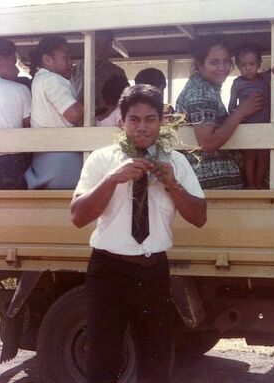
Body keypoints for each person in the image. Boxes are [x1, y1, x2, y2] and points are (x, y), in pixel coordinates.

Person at [71, 84, 207, 383]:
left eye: (150, 119)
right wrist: (111, 180)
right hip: (108, 271)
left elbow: (199, 218)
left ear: (162, 122)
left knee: (155, 362)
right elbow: (78, 217)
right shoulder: (102, 159)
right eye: (134, 119)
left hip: (152, 271)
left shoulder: (176, 163)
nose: (142, 127)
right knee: (102, 362)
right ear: (121, 121)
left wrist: (173, 184)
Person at [176, 35, 263, 189]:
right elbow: (208, 143)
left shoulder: (206, 88)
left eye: (226, 61)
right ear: (200, 64)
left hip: (211, 186)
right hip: (208, 186)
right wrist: (241, 111)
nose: (222, 67)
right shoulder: (201, 92)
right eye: (214, 62)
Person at [25, 35, 84, 190]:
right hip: (61, 159)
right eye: (66, 57)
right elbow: (73, 114)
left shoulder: (41, 79)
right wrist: (92, 102)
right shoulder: (52, 80)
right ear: (47, 60)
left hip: (45, 158)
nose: (71, 63)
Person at [229, 42, 274, 189]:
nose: (248, 68)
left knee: (263, 156)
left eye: (252, 64)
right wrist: (241, 112)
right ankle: (250, 184)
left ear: (259, 63)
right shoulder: (237, 83)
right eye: (243, 65)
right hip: (247, 126)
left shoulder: (266, 79)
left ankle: (259, 182)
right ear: (238, 66)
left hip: (265, 125)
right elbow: (231, 107)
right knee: (249, 156)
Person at [0, 38, 31, 190]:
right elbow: (28, 127)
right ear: (0, 62)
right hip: (11, 161)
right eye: (13, 63)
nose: (18, 70)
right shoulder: (20, 90)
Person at [71, 30, 128, 114]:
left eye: (105, 44)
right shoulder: (74, 71)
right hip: (79, 121)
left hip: (107, 121)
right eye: (96, 43)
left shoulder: (117, 72)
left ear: (110, 46)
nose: (100, 48)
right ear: (88, 43)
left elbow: (125, 101)